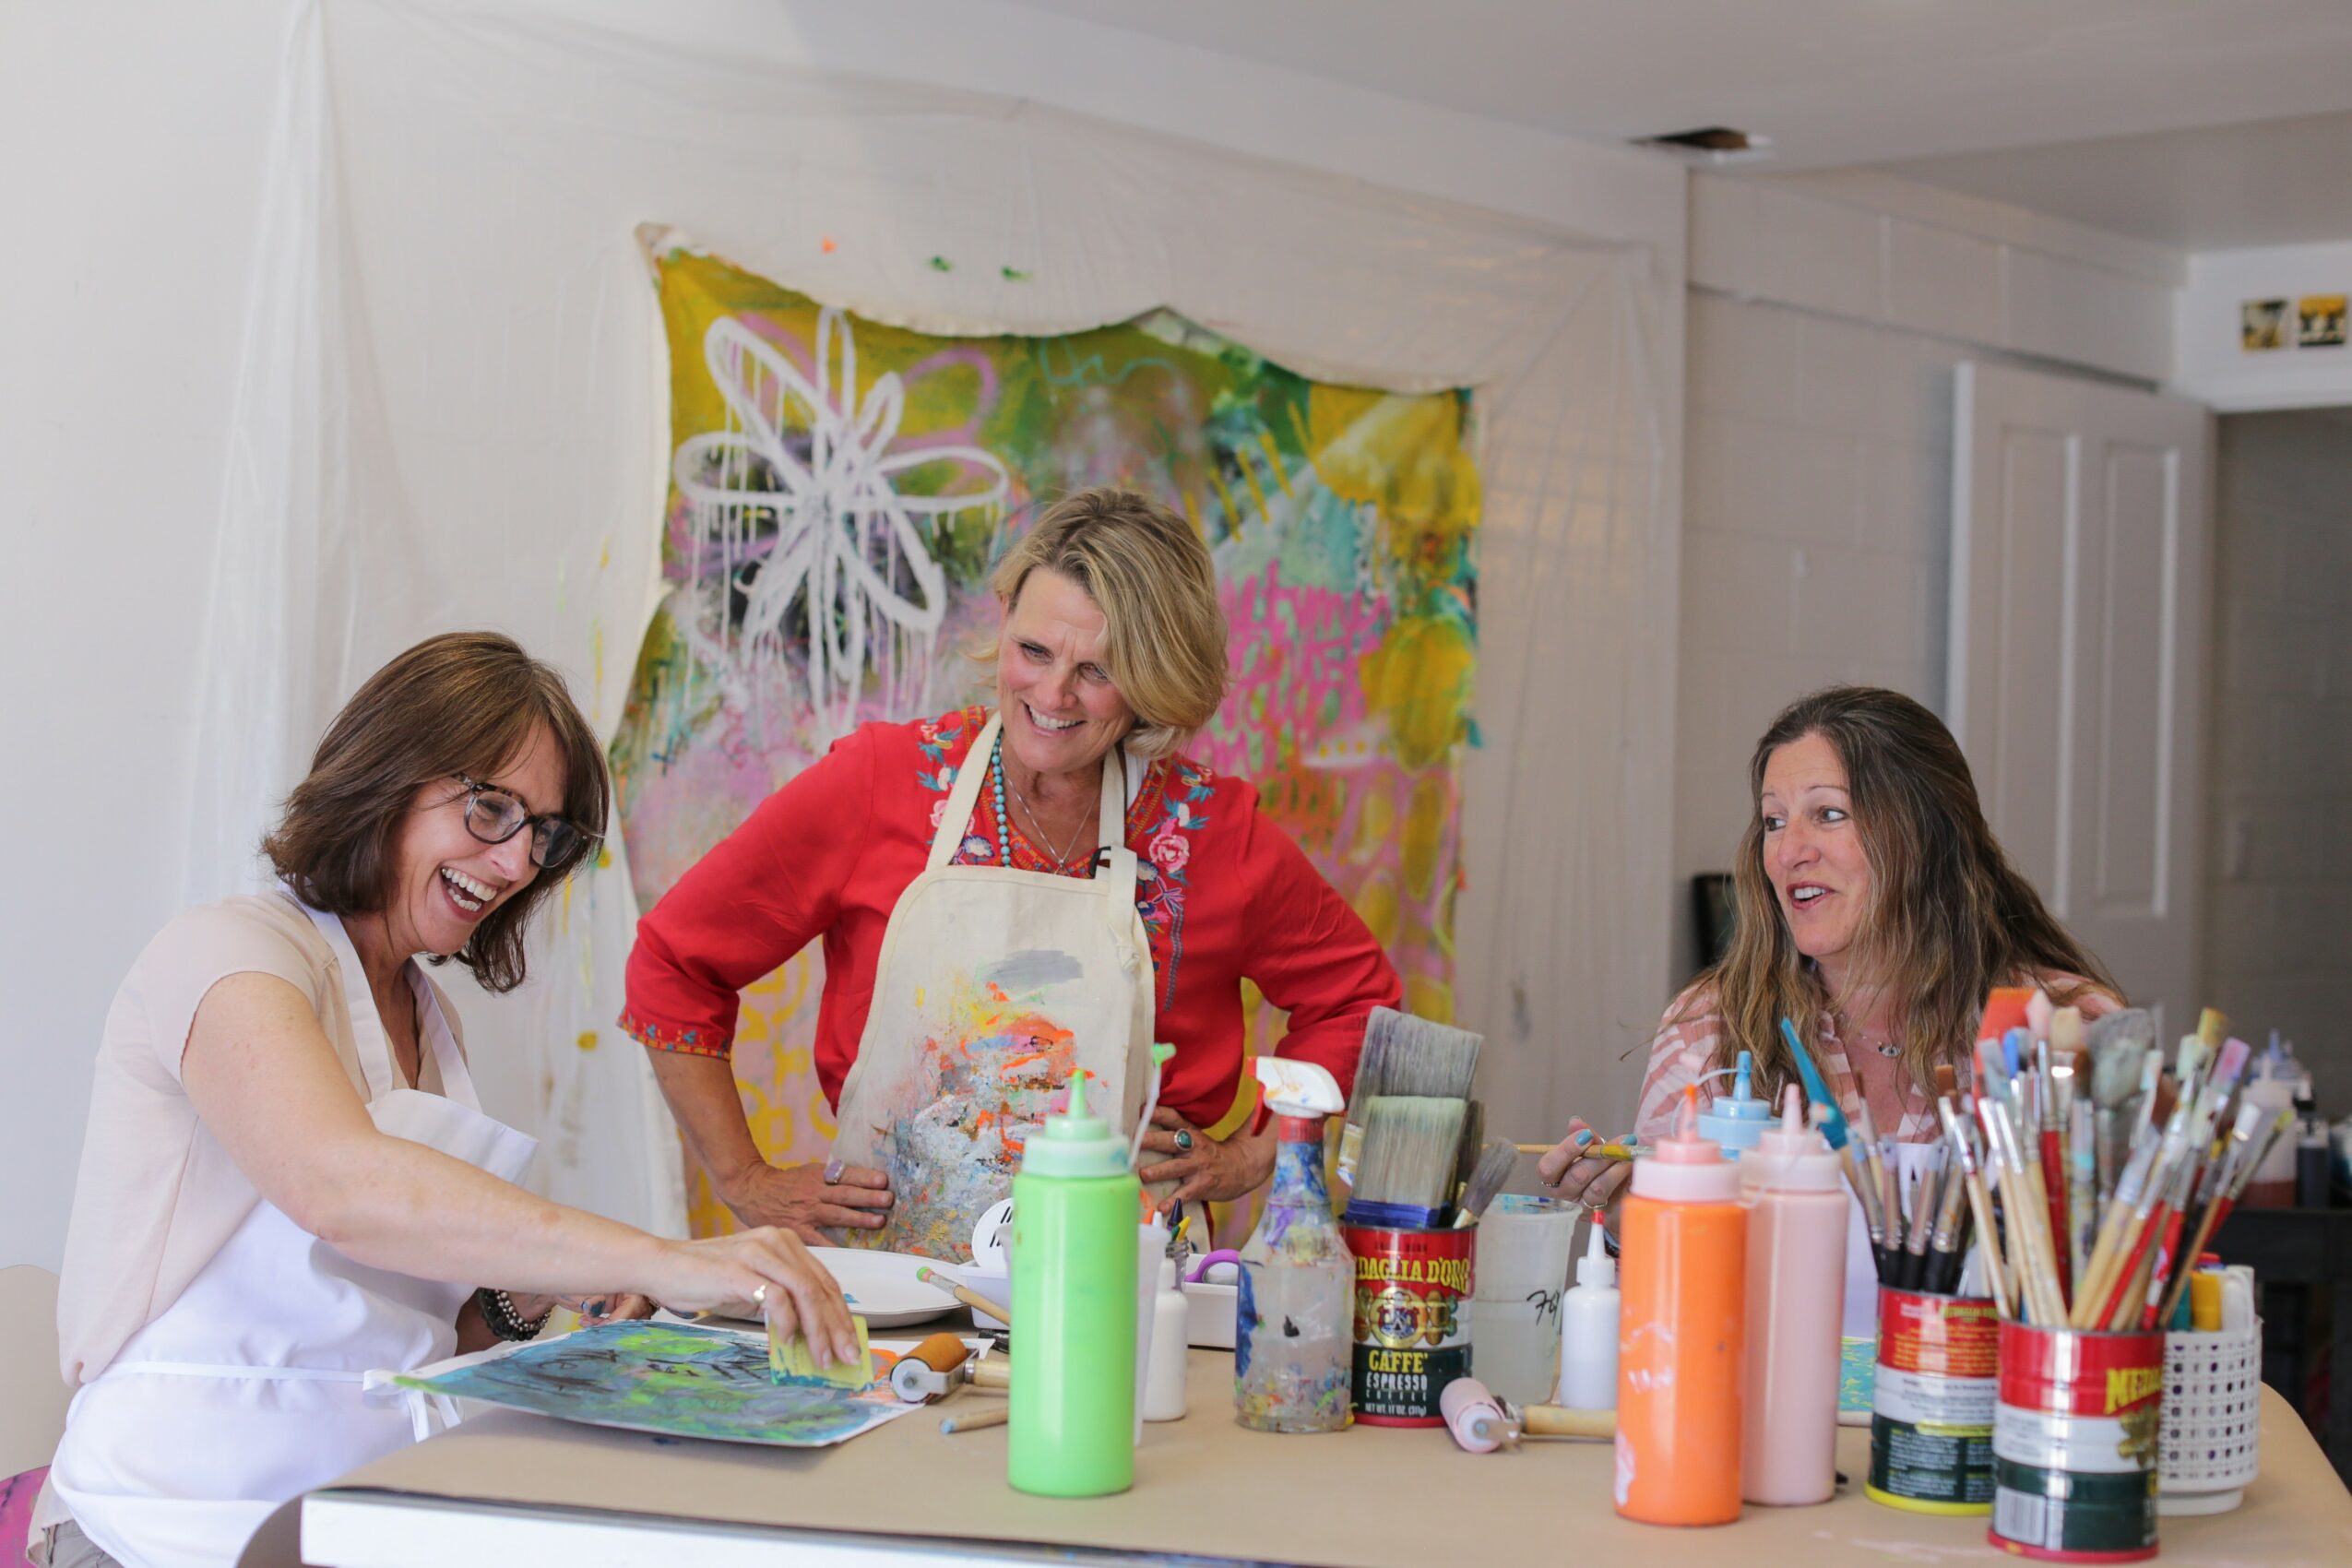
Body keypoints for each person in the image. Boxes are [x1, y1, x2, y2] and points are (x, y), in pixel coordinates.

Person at [36, 634, 854, 1568]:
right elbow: (342, 1190)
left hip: (355, 1504)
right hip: (162, 1516)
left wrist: (526, 1293)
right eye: (490, 809)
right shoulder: (227, 952)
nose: (514, 865)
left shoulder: (429, 1018)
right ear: (385, 773)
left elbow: (411, 1331)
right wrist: (663, 1257)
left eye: (543, 837)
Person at [622, 486, 1402, 1249]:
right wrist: (743, 1178)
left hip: (1125, 1283)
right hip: (889, 1283)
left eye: (1097, 671)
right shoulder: (880, 782)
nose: (1053, 694)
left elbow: (1358, 1003)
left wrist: (1257, 1154)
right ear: (1003, 621)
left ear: (1154, 678)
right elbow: (675, 961)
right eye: (1034, 651)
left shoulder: (1209, 831)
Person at [1537, 684, 2120, 1330]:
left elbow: (2110, 1286)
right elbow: (1667, 1321)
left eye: (1829, 814)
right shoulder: (1708, 1028)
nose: (1789, 851)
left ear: (1926, 830)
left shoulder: (2063, 1027)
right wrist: (1628, 1221)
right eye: (1774, 821)